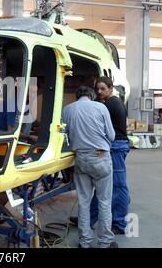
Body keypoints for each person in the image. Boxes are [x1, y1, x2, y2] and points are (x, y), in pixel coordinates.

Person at [62, 86, 117, 248]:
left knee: (84, 202)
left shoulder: (67, 110)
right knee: (104, 201)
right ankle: (105, 242)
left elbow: (64, 136)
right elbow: (112, 136)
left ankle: (84, 242)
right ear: (92, 96)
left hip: (80, 159)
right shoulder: (101, 107)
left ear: (77, 96)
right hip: (100, 158)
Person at [89, 76, 130, 235]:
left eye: (103, 89)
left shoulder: (111, 104)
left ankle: (119, 224)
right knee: (103, 186)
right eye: (97, 89)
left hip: (116, 147)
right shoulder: (112, 102)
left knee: (118, 186)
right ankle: (90, 218)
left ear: (111, 88)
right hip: (115, 146)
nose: (99, 92)